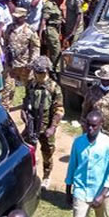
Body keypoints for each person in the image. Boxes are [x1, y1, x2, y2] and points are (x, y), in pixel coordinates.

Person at [22, 56, 63, 188]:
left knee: (47, 152)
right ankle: (30, 172)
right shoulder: (31, 85)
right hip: (31, 126)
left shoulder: (53, 88)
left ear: (47, 72)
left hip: (46, 127)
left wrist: (52, 127)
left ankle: (46, 176)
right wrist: (24, 112)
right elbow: (26, 100)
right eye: (36, 72)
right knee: (27, 149)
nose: (38, 75)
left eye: (41, 73)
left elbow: (59, 110)